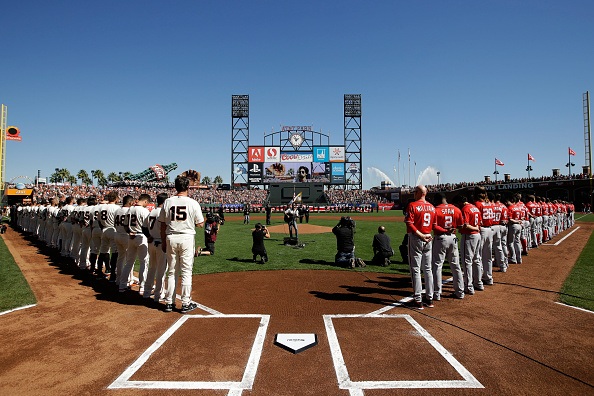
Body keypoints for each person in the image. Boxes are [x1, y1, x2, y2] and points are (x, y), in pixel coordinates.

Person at [159, 176, 204, 313]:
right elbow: (200, 224)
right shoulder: (193, 202)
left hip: (171, 236)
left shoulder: (168, 201)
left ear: (175, 187)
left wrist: (163, 241)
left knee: (172, 271)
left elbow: (162, 224)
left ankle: (169, 302)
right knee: (186, 271)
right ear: (188, 187)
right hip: (186, 237)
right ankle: (185, 303)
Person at [404, 185, 436, 309]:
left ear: (419, 193)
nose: (413, 194)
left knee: (415, 269)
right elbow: (434, 225)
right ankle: (430, 298)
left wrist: (420, 235)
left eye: (415, 192)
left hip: (417, 237)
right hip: (429, 237)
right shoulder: (432, 207)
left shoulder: (412, 205)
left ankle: (418, 300)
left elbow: (409, 223)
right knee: (428, 269)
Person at [432, 193, 465, 300]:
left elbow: (434, 226)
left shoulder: (436, 209)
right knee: (456, 265)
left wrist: (445, 229)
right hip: (453, 237)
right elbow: (461, 225)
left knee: (437, 265)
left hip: (441, 238)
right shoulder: (456, 209)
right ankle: (460, 292)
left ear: (438, 199)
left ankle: (437, 293)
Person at [122, 194, 152, 295]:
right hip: (141, 236)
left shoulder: (130, 209)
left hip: (131, 237)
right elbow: (148, 227)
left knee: (129, 262)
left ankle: (122, 285)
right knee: (144, 262)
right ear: (145, 201)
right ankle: (142, 287)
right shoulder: (144, 211)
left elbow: (125, 224)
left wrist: (129, 232)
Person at [453, 194, 482, 295]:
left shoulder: (465, 209)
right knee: (477, 259)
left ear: (460, 202)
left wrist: (473, 228)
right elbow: (480, 223)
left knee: (467, 261)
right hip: (477, 236)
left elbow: (466, 225)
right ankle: (478, 283)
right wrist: (477, 228)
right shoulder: (475, 208)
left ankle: (468, 286)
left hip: (469, 236)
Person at [143, 192, 168, 304]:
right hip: (160, 243)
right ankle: (158, 295)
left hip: (151, 242)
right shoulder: (163, 212)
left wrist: (149, 236)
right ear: (165, 201)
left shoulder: (151, 212)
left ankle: (147, 292)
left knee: (152, 268)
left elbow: (144, 228)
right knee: (161, 270)